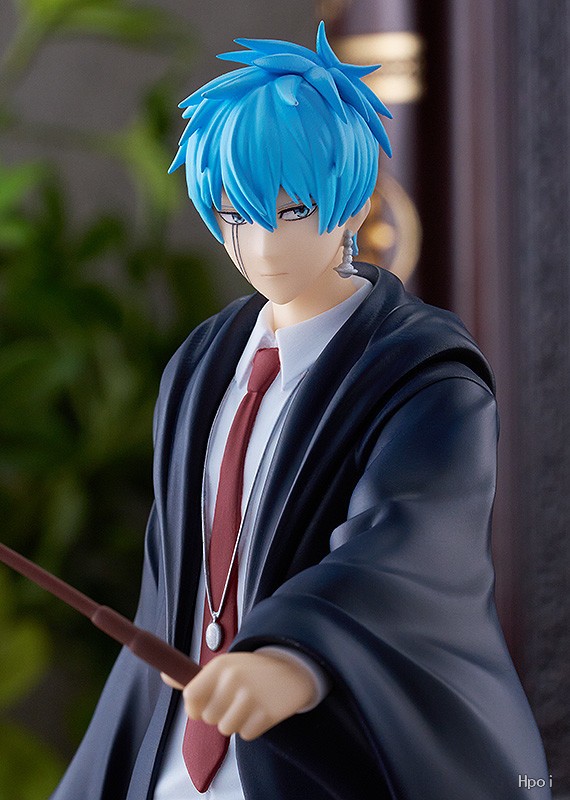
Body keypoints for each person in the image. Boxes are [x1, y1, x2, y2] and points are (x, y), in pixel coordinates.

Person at [51, 22, 551, 800]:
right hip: (178, 761)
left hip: (323, 755)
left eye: (292, 212)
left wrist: (296, 658)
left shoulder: (425, 376)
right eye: (235, 216)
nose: (261, 248)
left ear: (353, 201)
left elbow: (410, 549)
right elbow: (171, 587)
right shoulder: (201, 368)